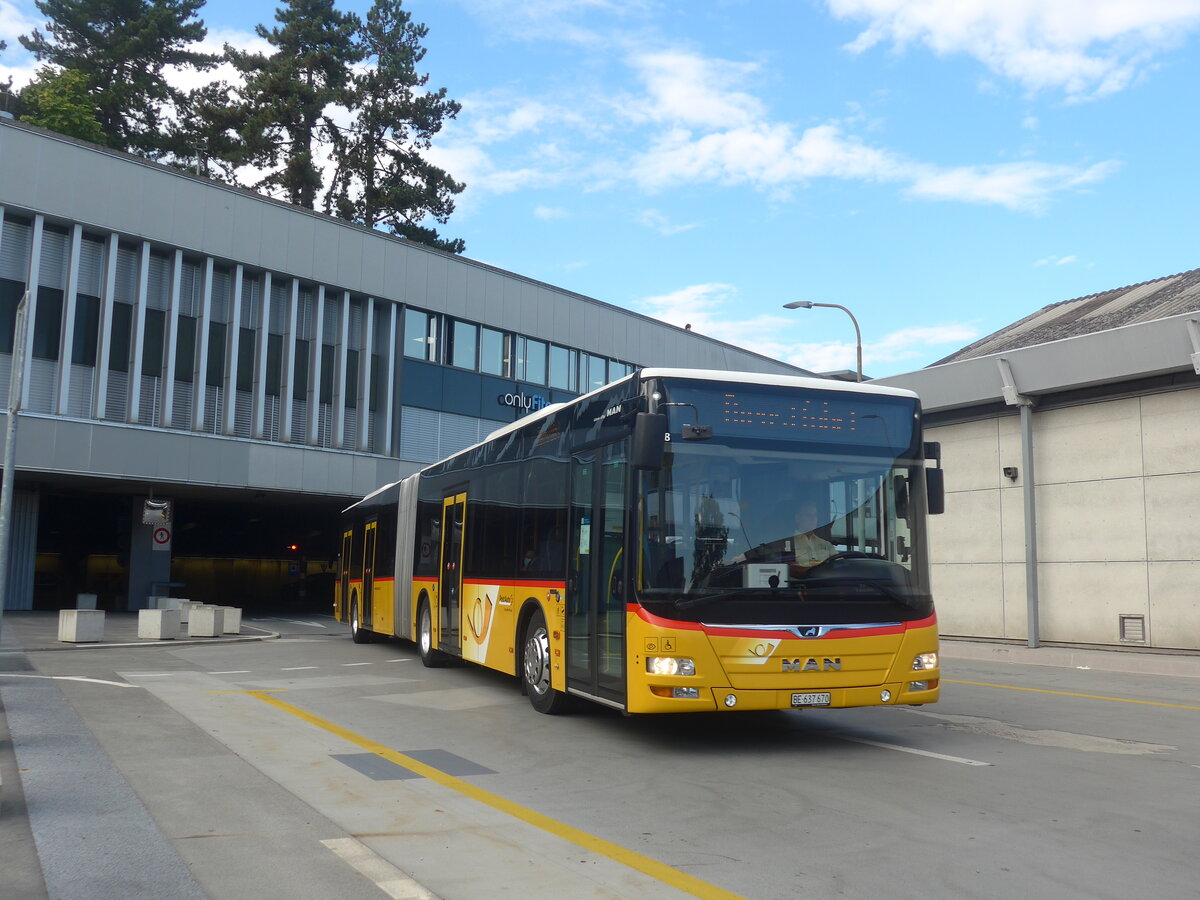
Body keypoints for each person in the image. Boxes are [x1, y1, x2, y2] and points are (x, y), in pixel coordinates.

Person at [788, 498, 836, 576]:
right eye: (808, 515)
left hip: (826, 585)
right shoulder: (788, 544)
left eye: (815, 515)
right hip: (800, 586)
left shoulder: (826, 544)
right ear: (798, 518)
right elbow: (788, 569)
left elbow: (840, 565)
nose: (813, 519)